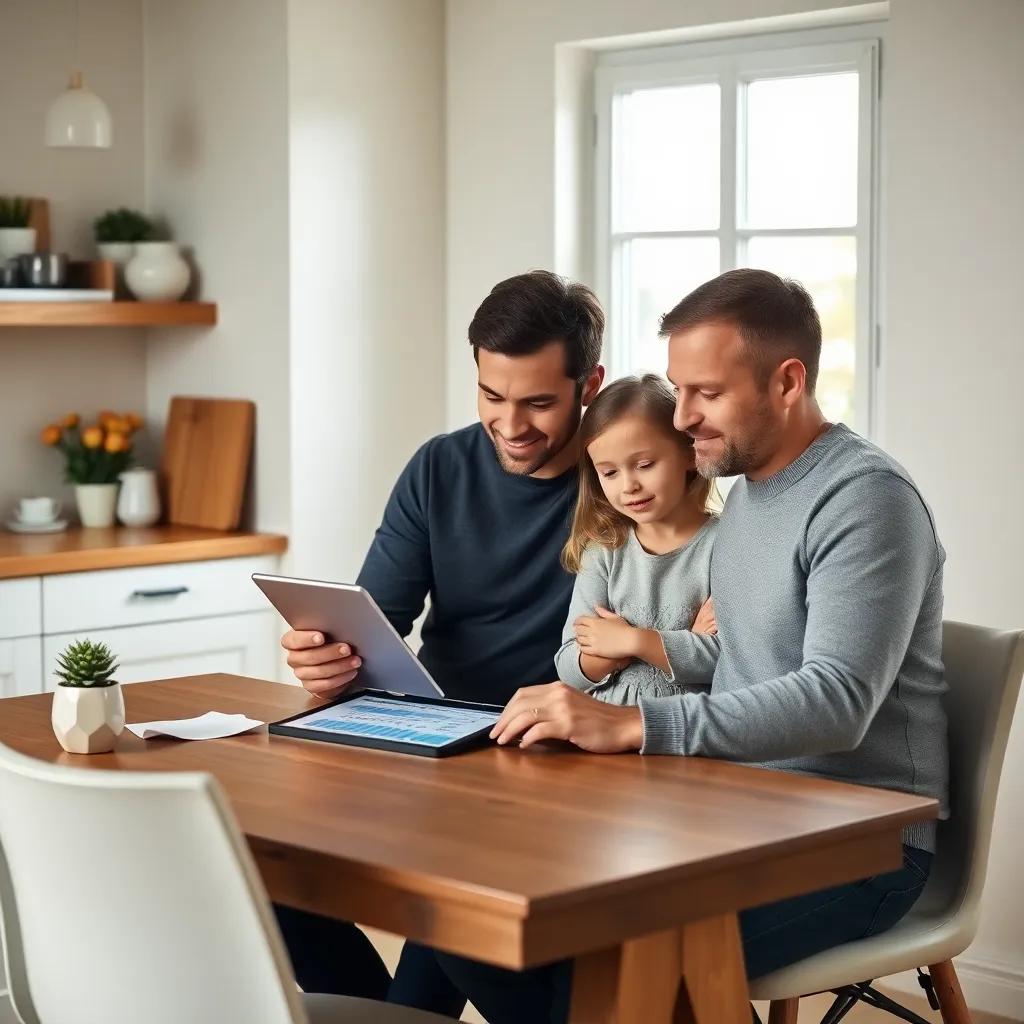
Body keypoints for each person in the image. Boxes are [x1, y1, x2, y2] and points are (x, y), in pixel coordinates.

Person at [435, 268, 949, 1024]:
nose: (683, 417)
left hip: (860, 845)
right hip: (736, 812)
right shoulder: (746, 499)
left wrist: (635, 724)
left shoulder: (864, 498)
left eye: (706, 392)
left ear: (787, 381)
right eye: (679, 390)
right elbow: (734, 668)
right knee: (480, 927)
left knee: (605, 960)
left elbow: (838, 702)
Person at [275, 270, 606, 1016]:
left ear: (591, 383)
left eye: (539, 403)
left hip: (554, 760)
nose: (511, 424)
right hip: (435, 736)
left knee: (451, 897)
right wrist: (326, 660)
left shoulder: (625, 477)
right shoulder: (439, 466)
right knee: (262, 854)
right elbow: (375, 621)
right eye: (492, 396)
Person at [555, 373, 719, 705]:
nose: (628, 485)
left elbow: (720, 660)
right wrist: (685, 643)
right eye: (609, 472)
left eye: (644, 465)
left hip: (689, 736)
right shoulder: (604, 552)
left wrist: (630, 640)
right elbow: (569, 666)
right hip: (602, 738)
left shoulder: (723, 545)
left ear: (689, 453)